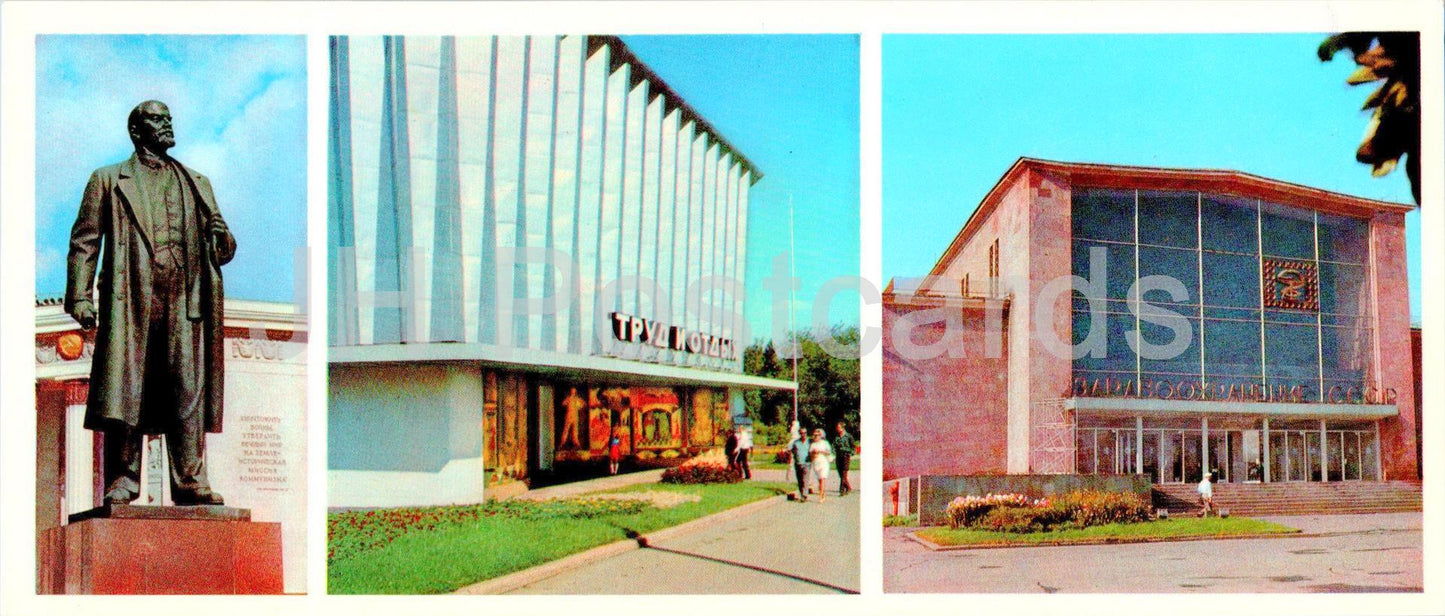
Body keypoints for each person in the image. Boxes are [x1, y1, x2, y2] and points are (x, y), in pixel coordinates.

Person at [66, 100, 236, 507]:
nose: (167, 125)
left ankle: (190, 480)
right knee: (128, 387)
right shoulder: (108, 179)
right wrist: (80, 295)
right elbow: (85, 241)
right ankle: (123, 480)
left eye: (169, 119)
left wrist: (221, 238)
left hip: (186, 299)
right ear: (136, 130)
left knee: (186, 388)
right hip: (132, 298)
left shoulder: (197, 182)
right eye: (158, 120)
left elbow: (223, 248)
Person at [809, 428, 835, 503]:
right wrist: (814, 453)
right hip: (816, 463)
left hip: (824, 463)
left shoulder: (824, 443)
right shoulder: (813, 444)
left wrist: (820, 451)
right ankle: (822, 492)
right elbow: (810, 455)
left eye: (818, 435)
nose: (816, 436)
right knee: (819, 480)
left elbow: (828, 452)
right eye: (815, 435)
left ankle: (820, 496)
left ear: (821, 436)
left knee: (822, 478)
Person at [830, 421, 855, 496]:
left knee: (844, 473)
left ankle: (842, 490)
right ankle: (848, 487)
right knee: (840, 473)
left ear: (842, 428)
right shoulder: (837, 437)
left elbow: (853, 446)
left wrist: (851, 452)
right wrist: (833, 451)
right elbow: (833, 446)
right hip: (839, 456)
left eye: (838, 427)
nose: (837, 429)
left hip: (846, 455)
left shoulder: (848, 436)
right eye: (837, 428)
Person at [788, 429, 812, 502]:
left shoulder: (809, 442)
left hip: (807, 463)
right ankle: (802, 493)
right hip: (798, 463)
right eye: (801, 433)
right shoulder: (796, 443)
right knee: (800, 480)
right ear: (799, 434)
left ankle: (804, 495)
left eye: (805, 433)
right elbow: (791, 452)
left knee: (805, 479)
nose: (803, 434)